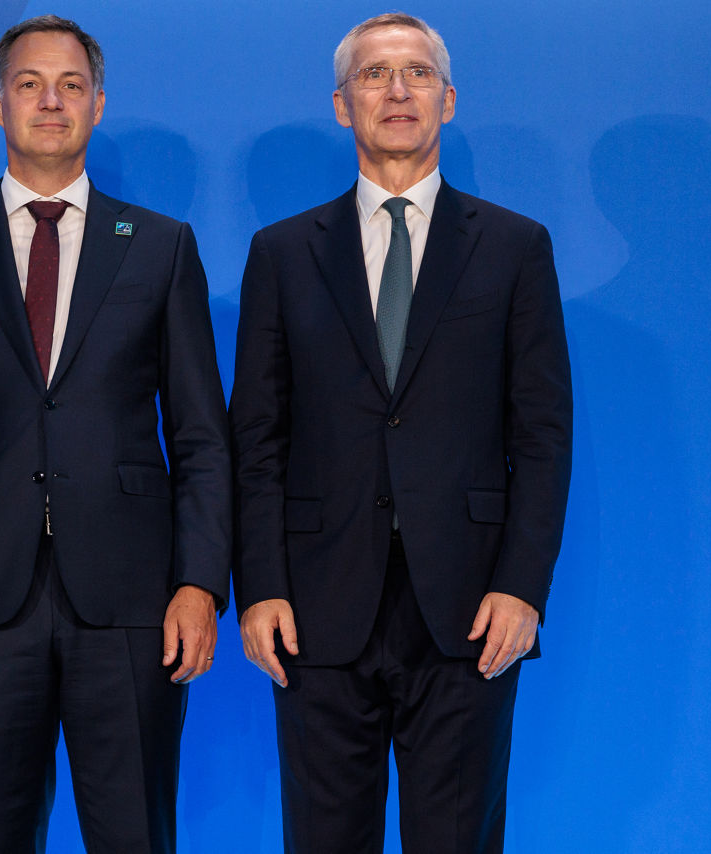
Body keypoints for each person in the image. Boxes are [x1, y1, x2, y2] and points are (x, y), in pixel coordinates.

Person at [0, 15, 230, 854]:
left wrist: (199, 584)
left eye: (71, 85)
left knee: (137, 836)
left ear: (98, 105)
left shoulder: (159, 247)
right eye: (30, 84)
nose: (51, 101)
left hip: (134, 601)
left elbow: (203, 438)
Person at [230, 13, 572, 853]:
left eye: (417, 73)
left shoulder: (515, 248)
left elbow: (542, 435)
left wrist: (522, 587)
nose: (397, 89)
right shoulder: (280, 253)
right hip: (314, 610)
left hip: (469, 610)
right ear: (343, 105)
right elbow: (257, 438)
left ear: (447, 101)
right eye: (375, 74)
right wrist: (261, 586)